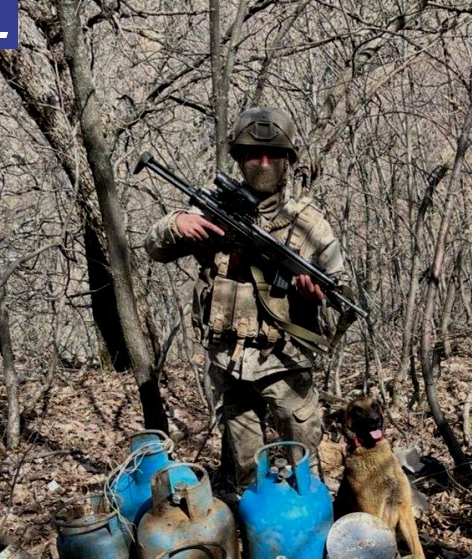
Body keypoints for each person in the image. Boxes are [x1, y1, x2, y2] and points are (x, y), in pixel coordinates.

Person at [145, 107, 354, 492]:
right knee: (246, 465)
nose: (263, 163)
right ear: (239, 158)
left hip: (285, 361)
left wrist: (316, 296)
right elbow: (154, 246)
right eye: (254, 155)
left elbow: (344, 292)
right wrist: (177, 224)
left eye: (273, 154)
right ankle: (256, 529)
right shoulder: (213, 208)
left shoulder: (309, 223)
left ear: (288, 159)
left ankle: (307, 523)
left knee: (303, 459)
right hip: (230, 360)